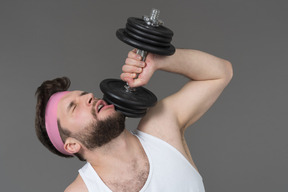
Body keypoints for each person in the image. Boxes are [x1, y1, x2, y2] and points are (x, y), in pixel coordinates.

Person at [35, 48, 233, 192]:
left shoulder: (161, 128)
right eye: (74, 107)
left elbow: (219, 74)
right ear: (71, 145)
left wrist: (158, 61)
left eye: (85, 95)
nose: (89, 97)